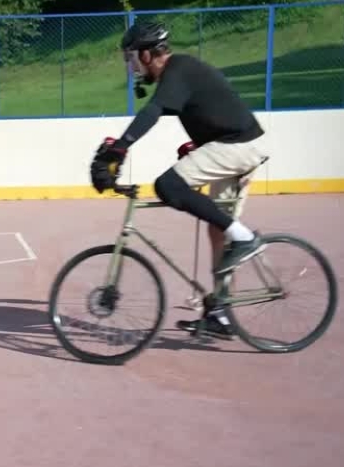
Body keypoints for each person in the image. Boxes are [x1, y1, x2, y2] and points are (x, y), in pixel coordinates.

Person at [89, 21, 269, 340]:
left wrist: (119, 147)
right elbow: (207, 106)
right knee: (218, 230)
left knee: (168, 185)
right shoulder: (179, 74)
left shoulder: (178, 69)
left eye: (131, 58)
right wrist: (200, 143)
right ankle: (221, 315)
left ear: (146, 55)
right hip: (231, 144)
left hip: (237, 146)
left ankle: (244, 238)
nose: (131, 66)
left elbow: (153, 111)